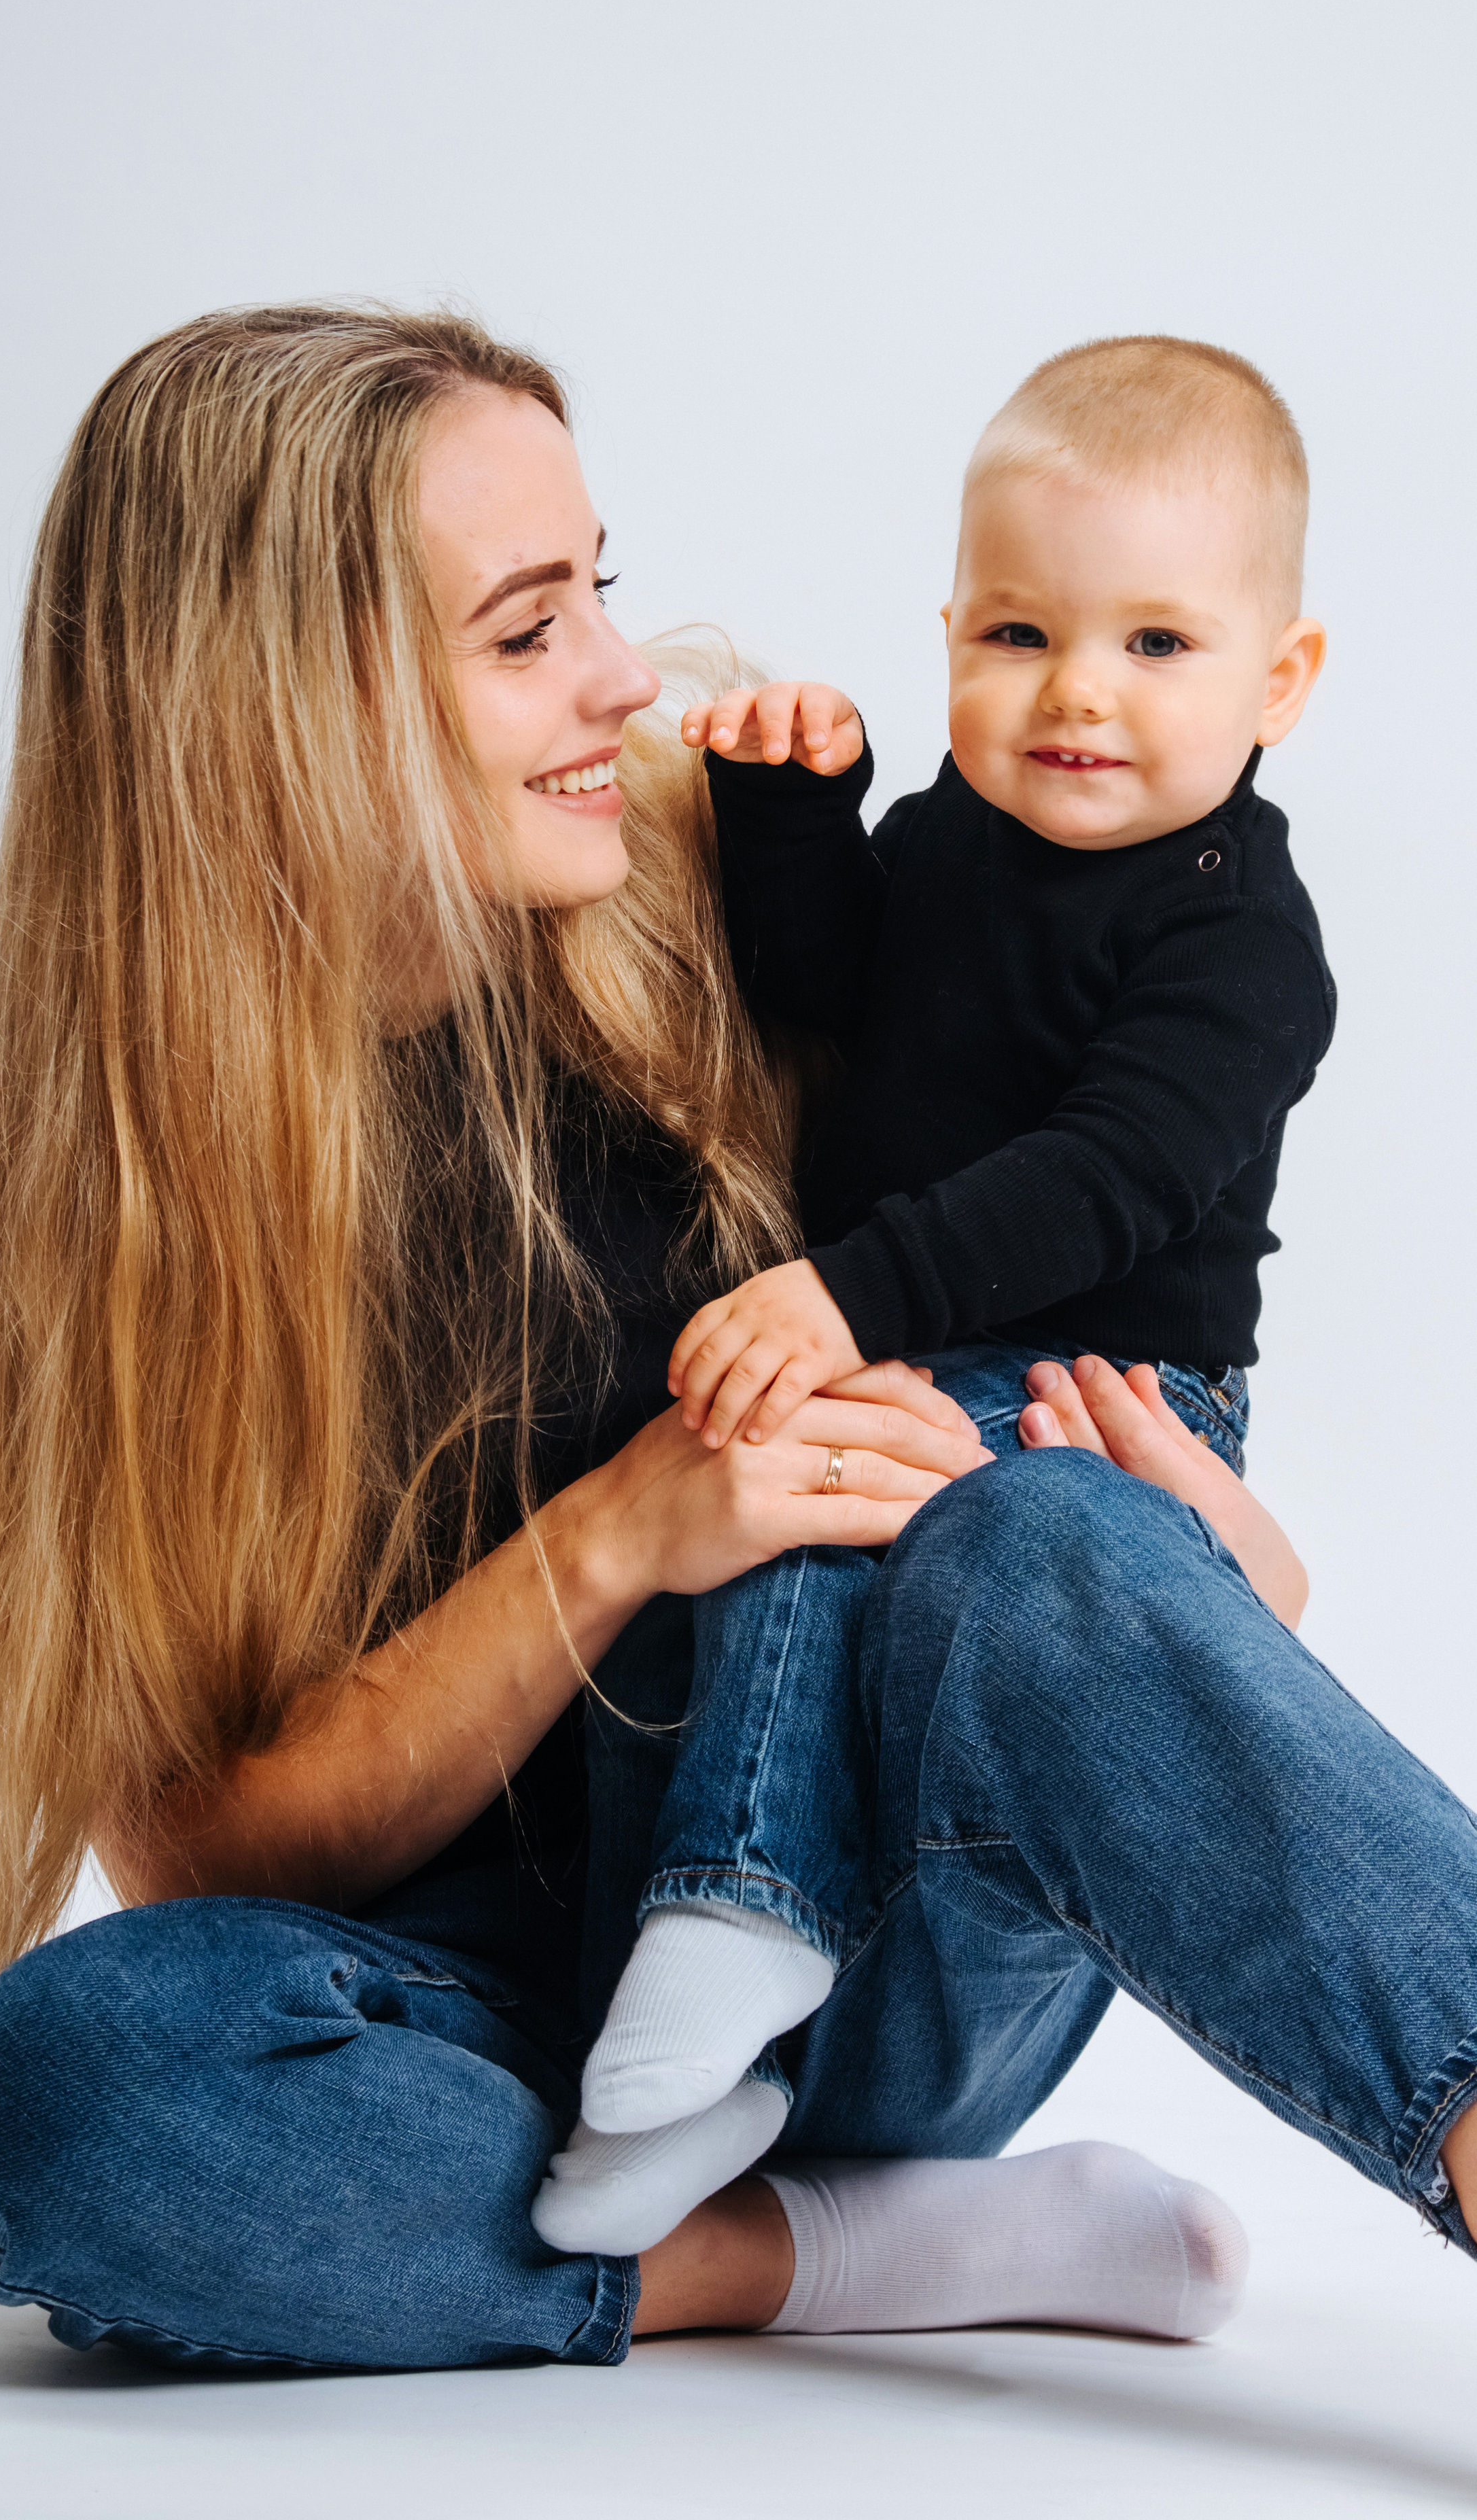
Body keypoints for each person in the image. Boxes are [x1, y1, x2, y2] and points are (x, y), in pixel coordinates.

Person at [0, 305, 1477, 2373]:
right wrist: (618, 1532)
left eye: (598, 588)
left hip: (867, 1935)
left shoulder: (709, 865)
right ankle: (834, 2255)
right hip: (496, 2027)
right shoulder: (81, 1165)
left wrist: (1222, 1580)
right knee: (66, 2089)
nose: (621, 674)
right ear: (274, 705)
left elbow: (1101, 1217)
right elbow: (197, 1857)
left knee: (1044, 1541)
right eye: (528, 631)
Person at [549, 338, 1346, 2248]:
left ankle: (744, 1912)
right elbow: (824, 995)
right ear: (952, 636)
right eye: (1017, 634)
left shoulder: (1244, 938)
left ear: (1280, 680)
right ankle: (713, 2023)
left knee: (830, 1471)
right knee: (759, 1496)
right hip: (900, 1325)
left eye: (1158, 644)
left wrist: (847, 1301)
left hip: (1100, 1381)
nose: (1076, 690)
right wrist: (795, 810)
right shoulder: (954, 836)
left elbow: (1106, 1179)